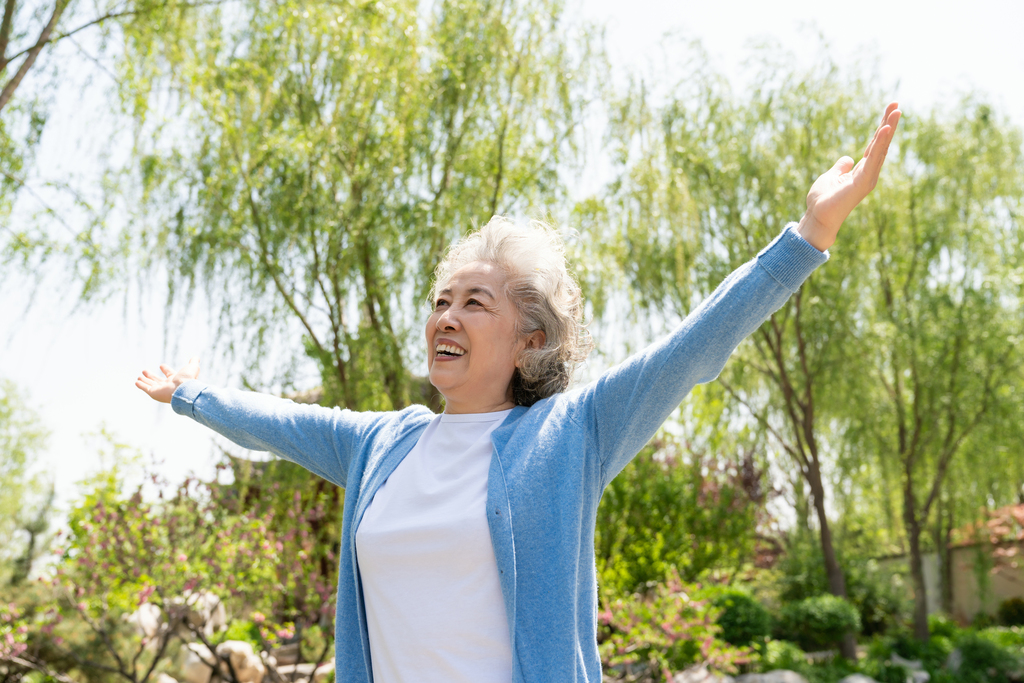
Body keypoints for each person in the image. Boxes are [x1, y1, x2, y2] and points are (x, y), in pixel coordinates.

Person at [136, 103, 901, 683]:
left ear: (529, 338)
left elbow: (690, 350)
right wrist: (192, 395)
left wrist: (808, 234)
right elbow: (278, 421)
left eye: (475, 302)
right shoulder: (380, 445)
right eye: (441, 299)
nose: (446, 314)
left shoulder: (571, 434)